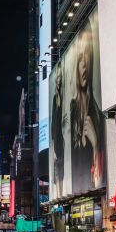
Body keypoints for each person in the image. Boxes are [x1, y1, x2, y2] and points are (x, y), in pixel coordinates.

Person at [70, 25, 105, 191]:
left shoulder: (99, 116)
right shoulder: (72, 111)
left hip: (96, 190)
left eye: (87, 56)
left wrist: (96, 143)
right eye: (80, 58)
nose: (83, 64)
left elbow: (101, 178)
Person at [51, 64, 65, 197]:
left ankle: (61, 194)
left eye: (60, 77)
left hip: (63, 135)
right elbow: (53, 121)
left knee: (62, 167)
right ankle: (59, 195)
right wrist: (53, 139)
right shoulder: (55, 97)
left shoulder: (63, 95)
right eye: (57, 78)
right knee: (58, 167)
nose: (59, 80)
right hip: (57, 137)